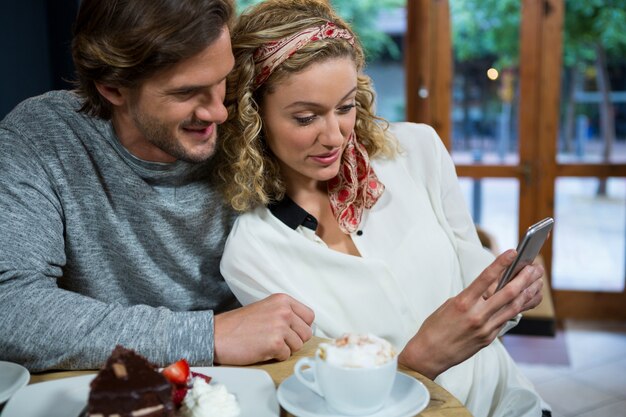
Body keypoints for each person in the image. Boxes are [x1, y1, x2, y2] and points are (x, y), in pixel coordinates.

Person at [217, 0, 550, 415]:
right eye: (306, 118)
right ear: (254, 116)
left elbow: (478, 289)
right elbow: (322, 398)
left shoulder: (418, 151)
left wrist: (511, 297)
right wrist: (419, 361)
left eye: (345, 106)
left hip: (511, 404)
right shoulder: (252, 251)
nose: (335, 136)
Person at [0, 0, 314, 372]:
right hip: (115, 390)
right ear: (112, 88)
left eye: (222, 80)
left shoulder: (256, 115)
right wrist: (206, 336)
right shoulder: (42, 137)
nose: (220, 112)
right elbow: (10, 309)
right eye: (186, 93)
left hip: (255, 378)